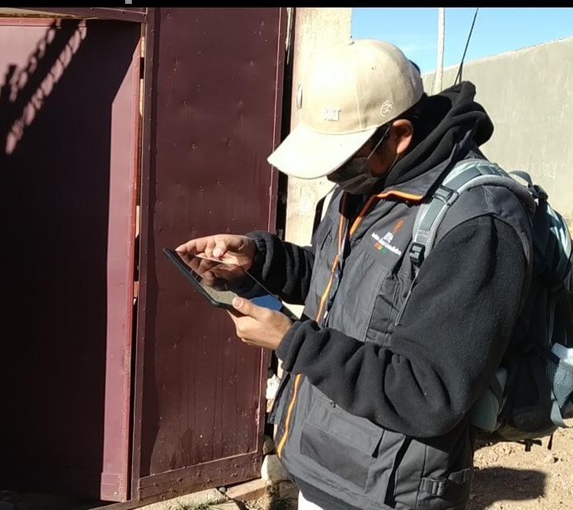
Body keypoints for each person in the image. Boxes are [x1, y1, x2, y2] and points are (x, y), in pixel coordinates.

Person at [176, 39, 531, 509]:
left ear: (399, 135)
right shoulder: (370, 182)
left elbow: (430, 392)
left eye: (341, 160)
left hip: (387, 494)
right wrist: (259, 261)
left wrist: (292, 340)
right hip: (323, 469)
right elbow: (339, 282)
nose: (333, 175)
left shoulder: (479, 223)